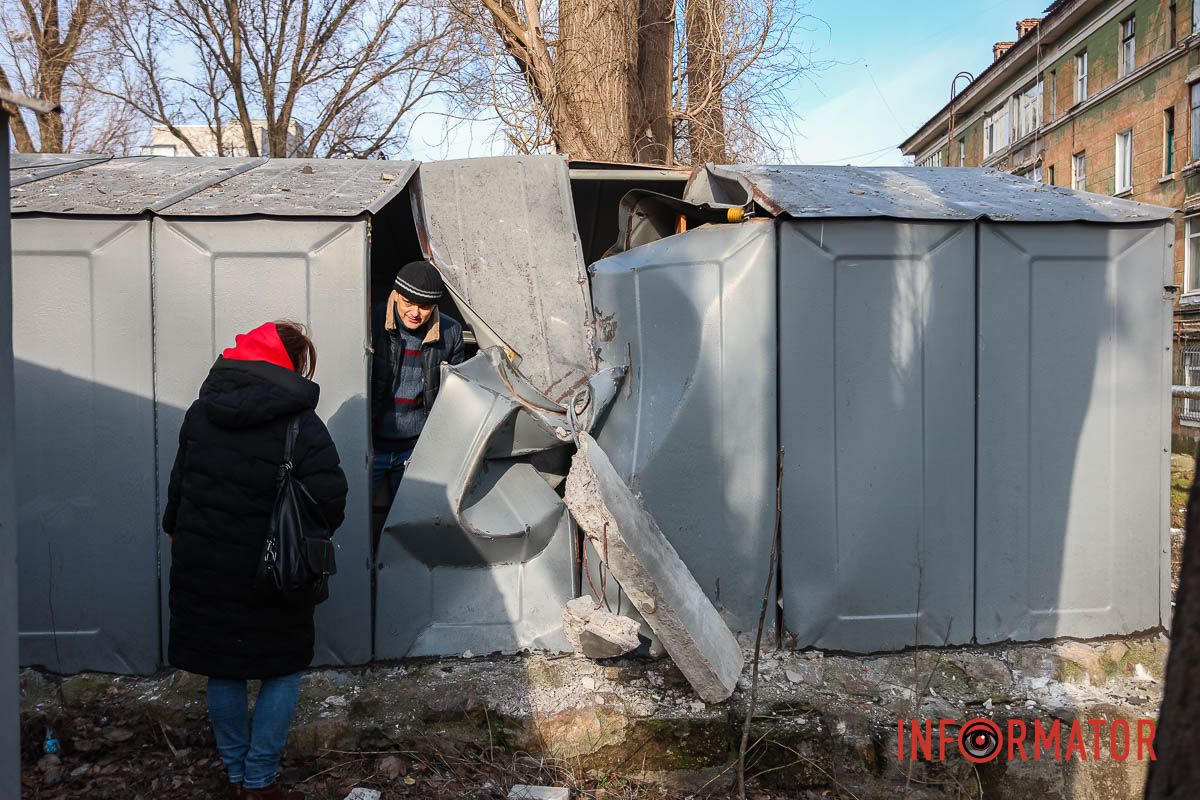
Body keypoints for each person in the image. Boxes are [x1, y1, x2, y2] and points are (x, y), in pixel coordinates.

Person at [163, 321, 348, 800]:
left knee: (223, 669)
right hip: (275, 573)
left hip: (204, 566)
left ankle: (235, 775)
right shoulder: (302, 426)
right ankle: (260, 781)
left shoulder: (200, 414)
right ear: (289, 368)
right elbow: (332, 503)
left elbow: (178, 493)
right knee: (280, 670)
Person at [370, 259, 465, 504]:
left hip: (415, 450)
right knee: (353, 516)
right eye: (408, 303)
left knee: (408, 520)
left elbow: (452, 396)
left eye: (424, 306)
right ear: (395, 295)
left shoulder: (451, 332)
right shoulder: (370, 320)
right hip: (369, 445)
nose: (414, 313)